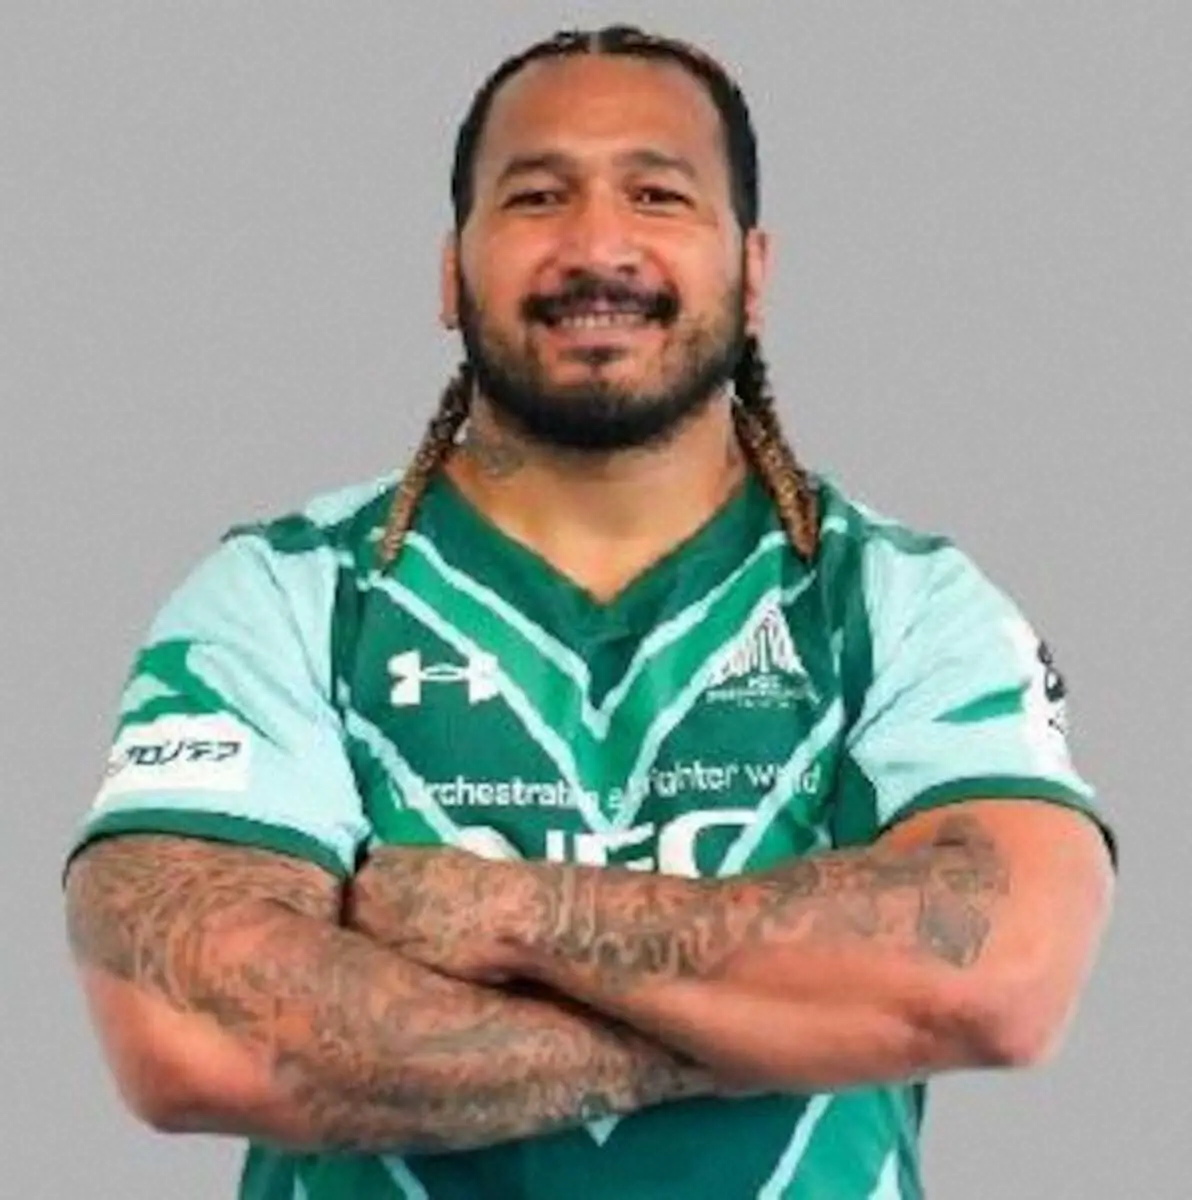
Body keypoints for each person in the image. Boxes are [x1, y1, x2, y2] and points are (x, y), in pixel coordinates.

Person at [63, 24, 1117, 1200]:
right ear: (450, 273)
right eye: (536, 197)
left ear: (752, 272)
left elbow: (1001, 975)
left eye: (657, 195)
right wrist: (780, 1021)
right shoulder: (285, 593)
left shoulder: (901, 602)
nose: (597, 246)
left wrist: (506, 912)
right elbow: (191, 1032)